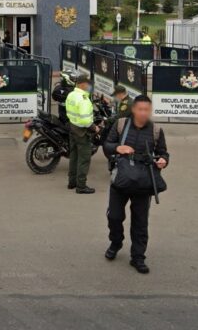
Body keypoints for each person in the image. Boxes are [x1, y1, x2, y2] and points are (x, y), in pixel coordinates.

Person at [102, 95, 168, 274]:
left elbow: (163, 153)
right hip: (121, 182)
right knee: (114, 217)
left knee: (140, 223)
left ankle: (138, 257)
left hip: (143, 183)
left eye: (147, 110)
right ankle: (116, 243)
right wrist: (118, 148)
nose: (143, 113)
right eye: (140, 109)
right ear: (134, 109)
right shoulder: (121, 125)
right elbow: (106, 145)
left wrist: (163, 160)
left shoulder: (156, 130)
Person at [65, 72, 97, 194]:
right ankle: (81, 186)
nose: (89, 86)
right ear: (83, 84)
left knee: (74, 157)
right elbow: (85, 120)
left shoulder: (71, 95)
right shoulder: (84, 99)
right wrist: (94, 128)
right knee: (84, 159)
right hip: (82, 132)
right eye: (88, 84)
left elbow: (69, 112)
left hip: (72, 128)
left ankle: (71, 182)